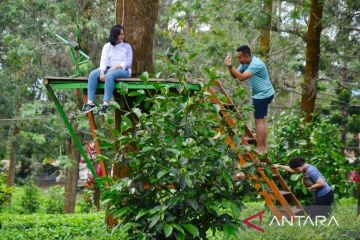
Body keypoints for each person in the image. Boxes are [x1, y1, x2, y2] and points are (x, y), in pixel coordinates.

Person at [224, 45, 274, 154]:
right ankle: (264, 147)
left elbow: (241, 77)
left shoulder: (256, 64)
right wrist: (229, 67)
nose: (239, 60)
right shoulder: (246, 63)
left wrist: (230, 65)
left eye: (240, 57)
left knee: (259, 121)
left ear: (246, 56)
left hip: (262, 94)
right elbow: (235, 75)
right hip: (265, 93)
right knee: (262, 120)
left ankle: (260, 148)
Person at [81, 24, 133, 115]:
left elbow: (128, 63)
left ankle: (105, 104)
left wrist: (117, 66)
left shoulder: (127, 47)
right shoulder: (107, 46)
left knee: (109, 75)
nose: (122, 36)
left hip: (124, 70)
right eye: (120, 34)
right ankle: (90, 103)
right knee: (93, 74)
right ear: (114, 35)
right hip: (108, 69)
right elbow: (103, 61)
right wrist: (101, 72)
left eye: (123, 34)